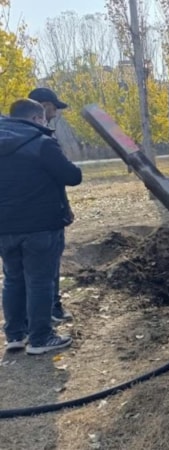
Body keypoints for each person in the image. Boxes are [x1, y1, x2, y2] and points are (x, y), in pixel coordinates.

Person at [0, 99, 82, 355]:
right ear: (37, 118)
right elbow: (72, 176)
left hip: (5, 226)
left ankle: (15, 335)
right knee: (40, 281)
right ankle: (40, 338)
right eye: (44, 119)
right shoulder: (41, 143)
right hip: (40, 226)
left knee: (12, 279)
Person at [28, 87, 72, 323]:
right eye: (54, 108)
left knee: (16, 275)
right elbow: (67, 176)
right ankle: (51, 310)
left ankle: (20, 326)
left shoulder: (7, 138)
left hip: (11, 220)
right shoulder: (44, 141)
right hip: (44, 218)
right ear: (43, 106)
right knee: (47, 267)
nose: (55, 113)